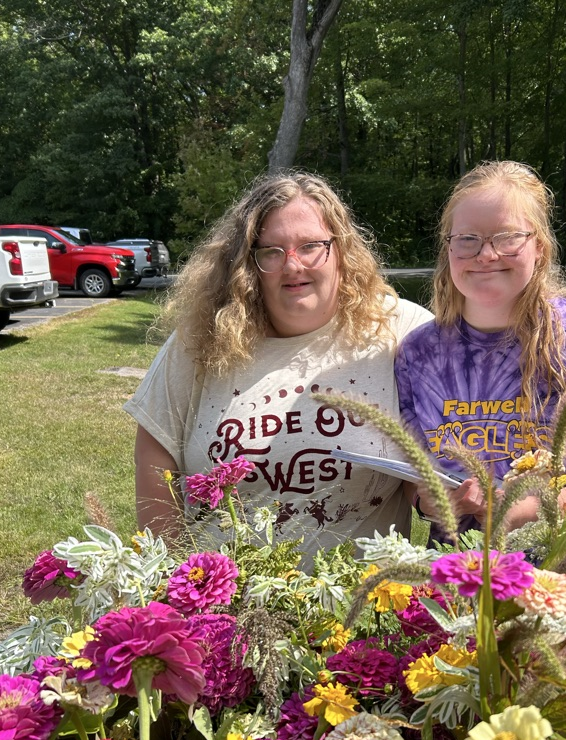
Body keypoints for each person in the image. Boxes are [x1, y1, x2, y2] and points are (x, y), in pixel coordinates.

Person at [124, 172, 432, 563]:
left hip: (362, 595)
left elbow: (438, 447)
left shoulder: (399, 330)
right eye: (272, 251)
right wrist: (168, 576)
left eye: (311, 246)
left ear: (341, 250)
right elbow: (155, 453)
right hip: (224, 595)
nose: (293, 265)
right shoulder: (202, 339)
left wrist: (432, 494)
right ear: (247, 264)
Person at [395, 160, 566, 542]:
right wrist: (427, 501)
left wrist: (540, 507)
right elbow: (410, 475)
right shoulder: (416, 354)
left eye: (507, 237)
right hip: (458, 569)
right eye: (468, 239)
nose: (486, 254)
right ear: (448, 247)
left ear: (539, 247)